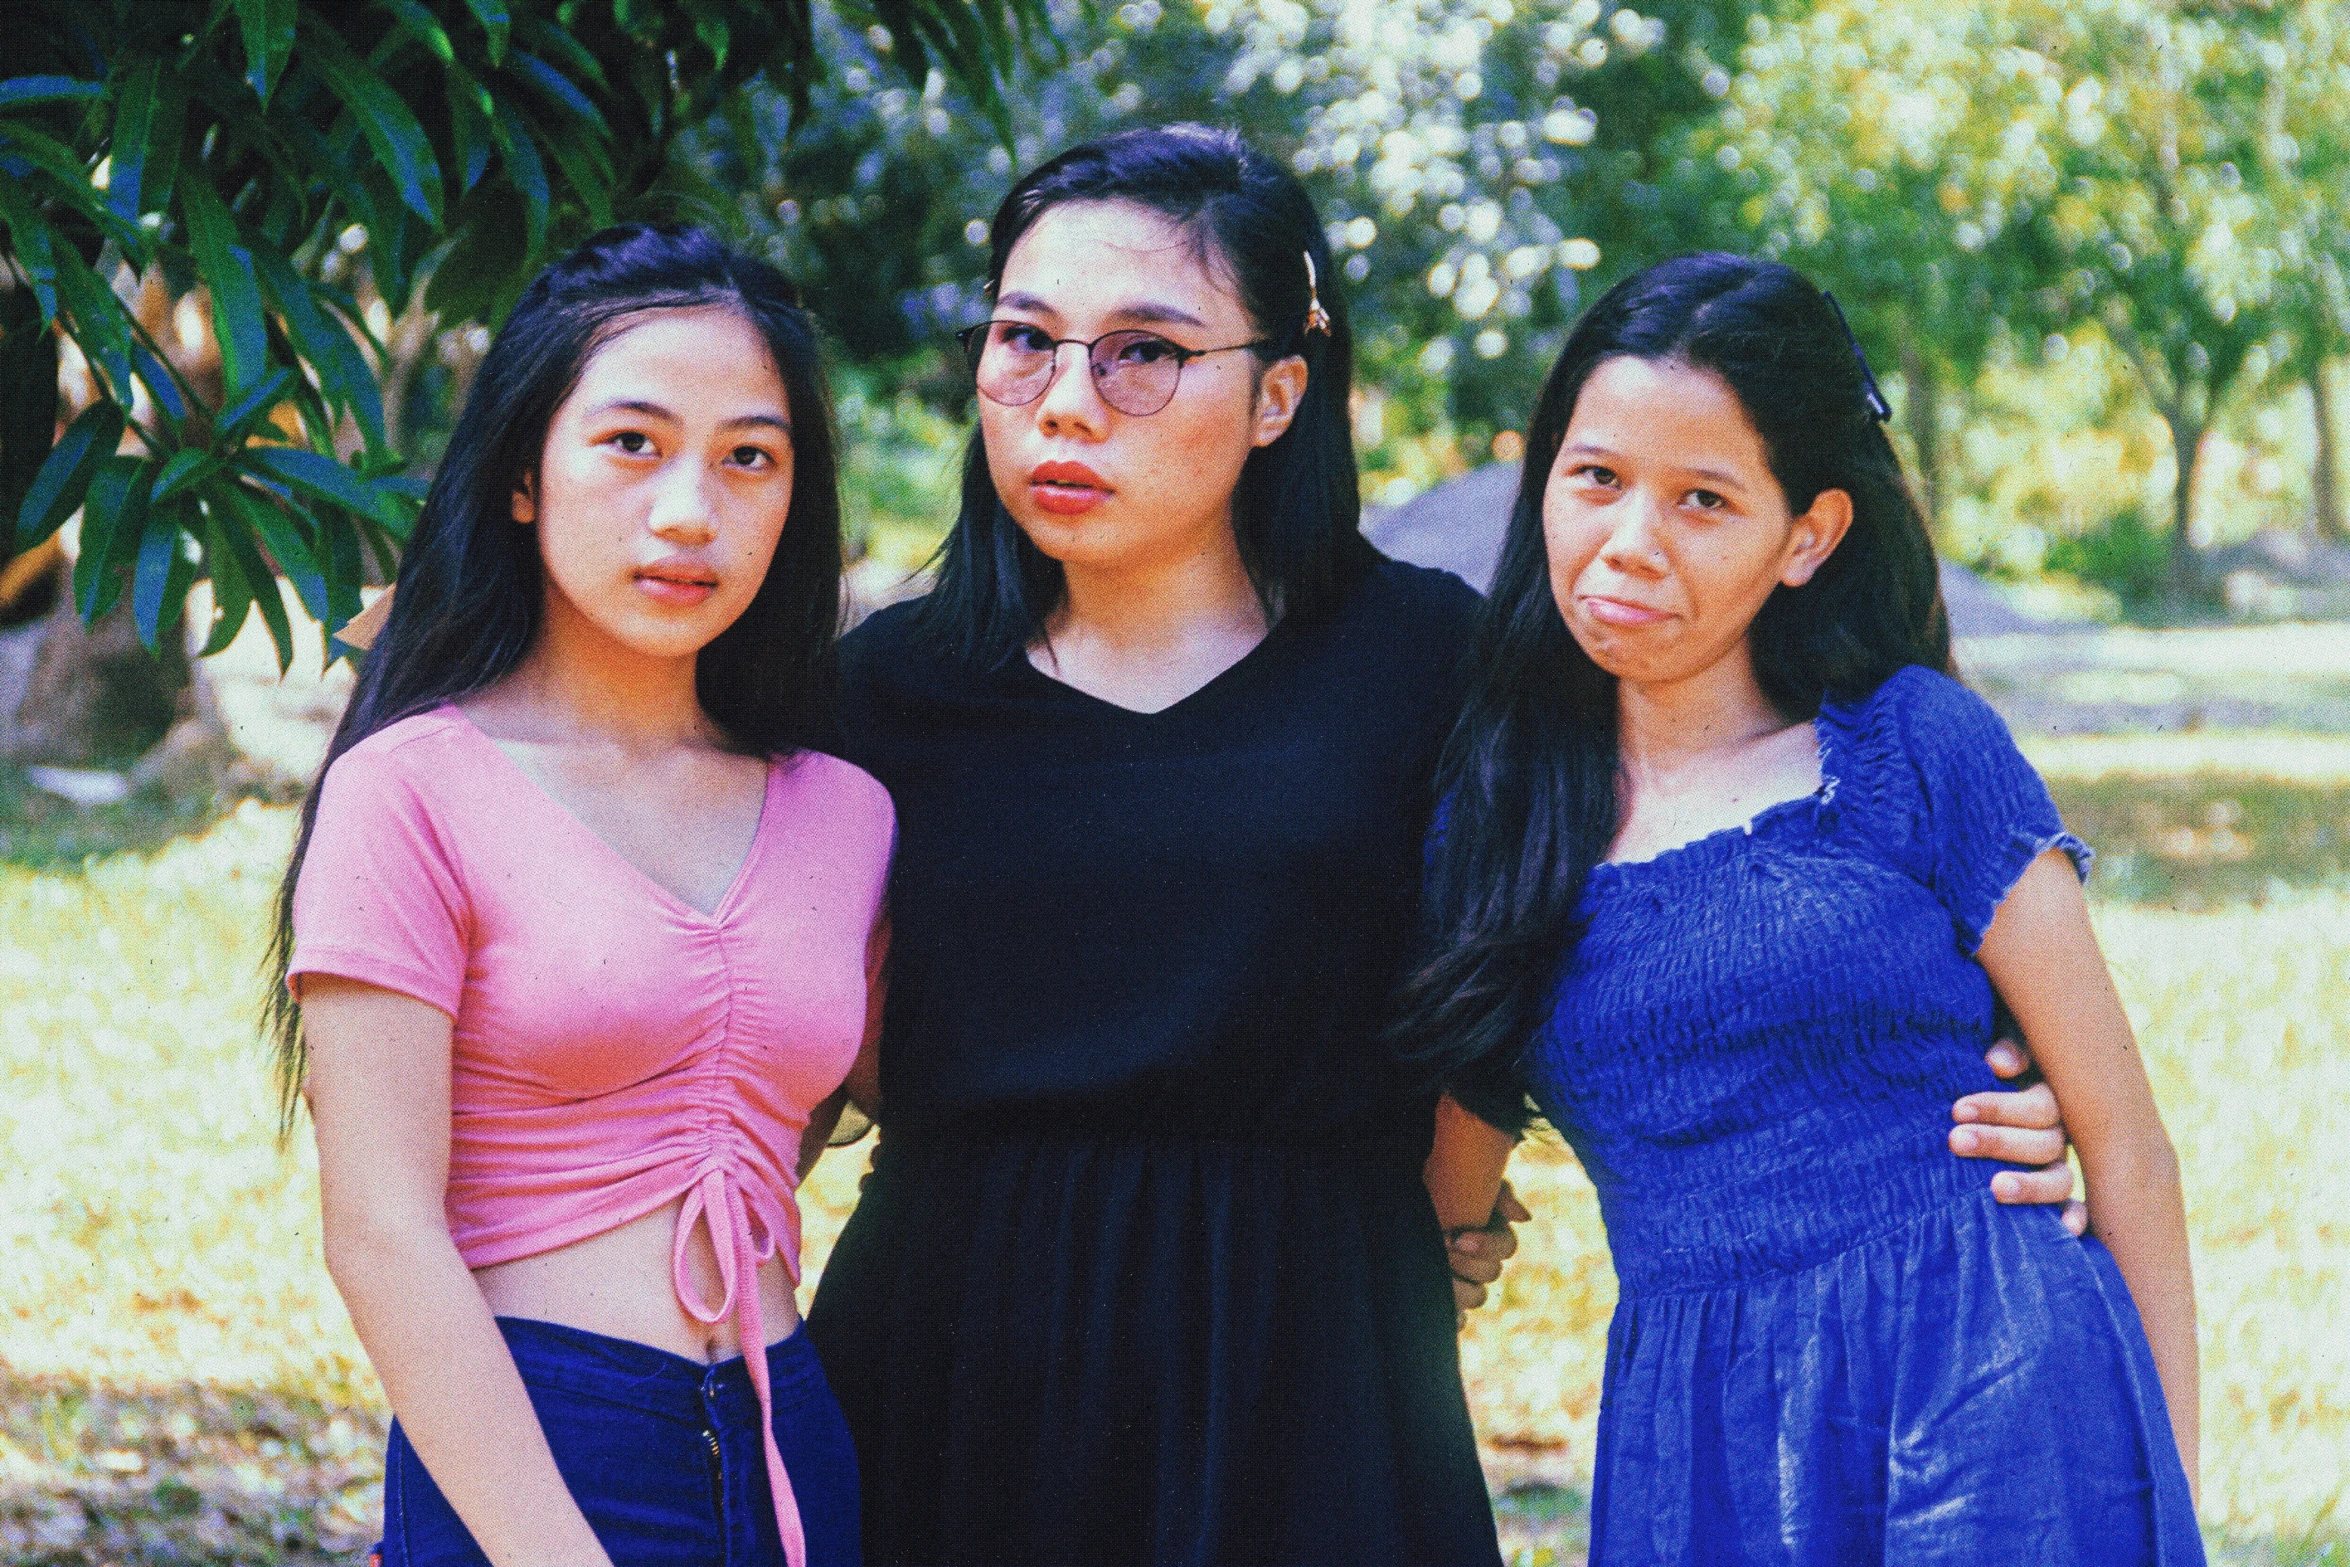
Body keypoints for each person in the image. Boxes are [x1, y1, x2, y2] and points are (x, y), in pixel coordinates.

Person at [802, 127, 2080, 1567]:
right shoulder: (874, 694)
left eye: (1143, 351)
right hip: (953, 1358)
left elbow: (1621, 914)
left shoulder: (1432, 665)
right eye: (1021, 340)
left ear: (1280, 389)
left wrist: (1970, 1098)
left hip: (1317, 1361)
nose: (1065, 403)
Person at [1411, 253, 2202, 1562]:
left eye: (1703, 500)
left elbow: (2125, 1145)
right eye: (1594, 477)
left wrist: (2164, 1498)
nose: (1628, 542)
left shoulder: (1910, 747)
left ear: (1807, 535)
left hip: (1997, 1404)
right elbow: (1431, 1221)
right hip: (1708, 1449)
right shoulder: (1494, 822)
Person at [266, 226, 888, 1567]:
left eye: (748, 457)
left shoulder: (845, 809)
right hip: (540, 1438)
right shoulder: (414, 789)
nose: (688, 511)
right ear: (521, 480)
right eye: (630, 443)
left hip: (792, 1439)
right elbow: (381, 1230)